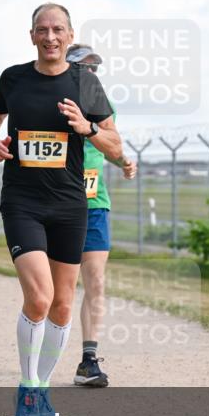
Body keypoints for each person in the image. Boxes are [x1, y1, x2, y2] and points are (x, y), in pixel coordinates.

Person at [0, 3, 121, 416]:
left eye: (58, 29)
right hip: (22, 201)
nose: (50, 36)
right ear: (32, 36)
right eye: (42, 29)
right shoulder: (14, 78)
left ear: (69, 33)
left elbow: (116, 146)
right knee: (39, 298)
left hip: (69, 205)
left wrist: (88, 128)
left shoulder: (86, 83)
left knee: (62, 306)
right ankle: (27, 390)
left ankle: (42, 388)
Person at [64, 44, 138, 387]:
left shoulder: (103, 108)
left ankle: (88, 360)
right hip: (57, 205)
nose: (91, 75)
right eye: (83, 68)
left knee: (95, 282)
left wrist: (123, 161)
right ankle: (42, 353)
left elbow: (108, 143)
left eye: (95, 69)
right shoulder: (55, 106)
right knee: (55, 289)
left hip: (94, 205)